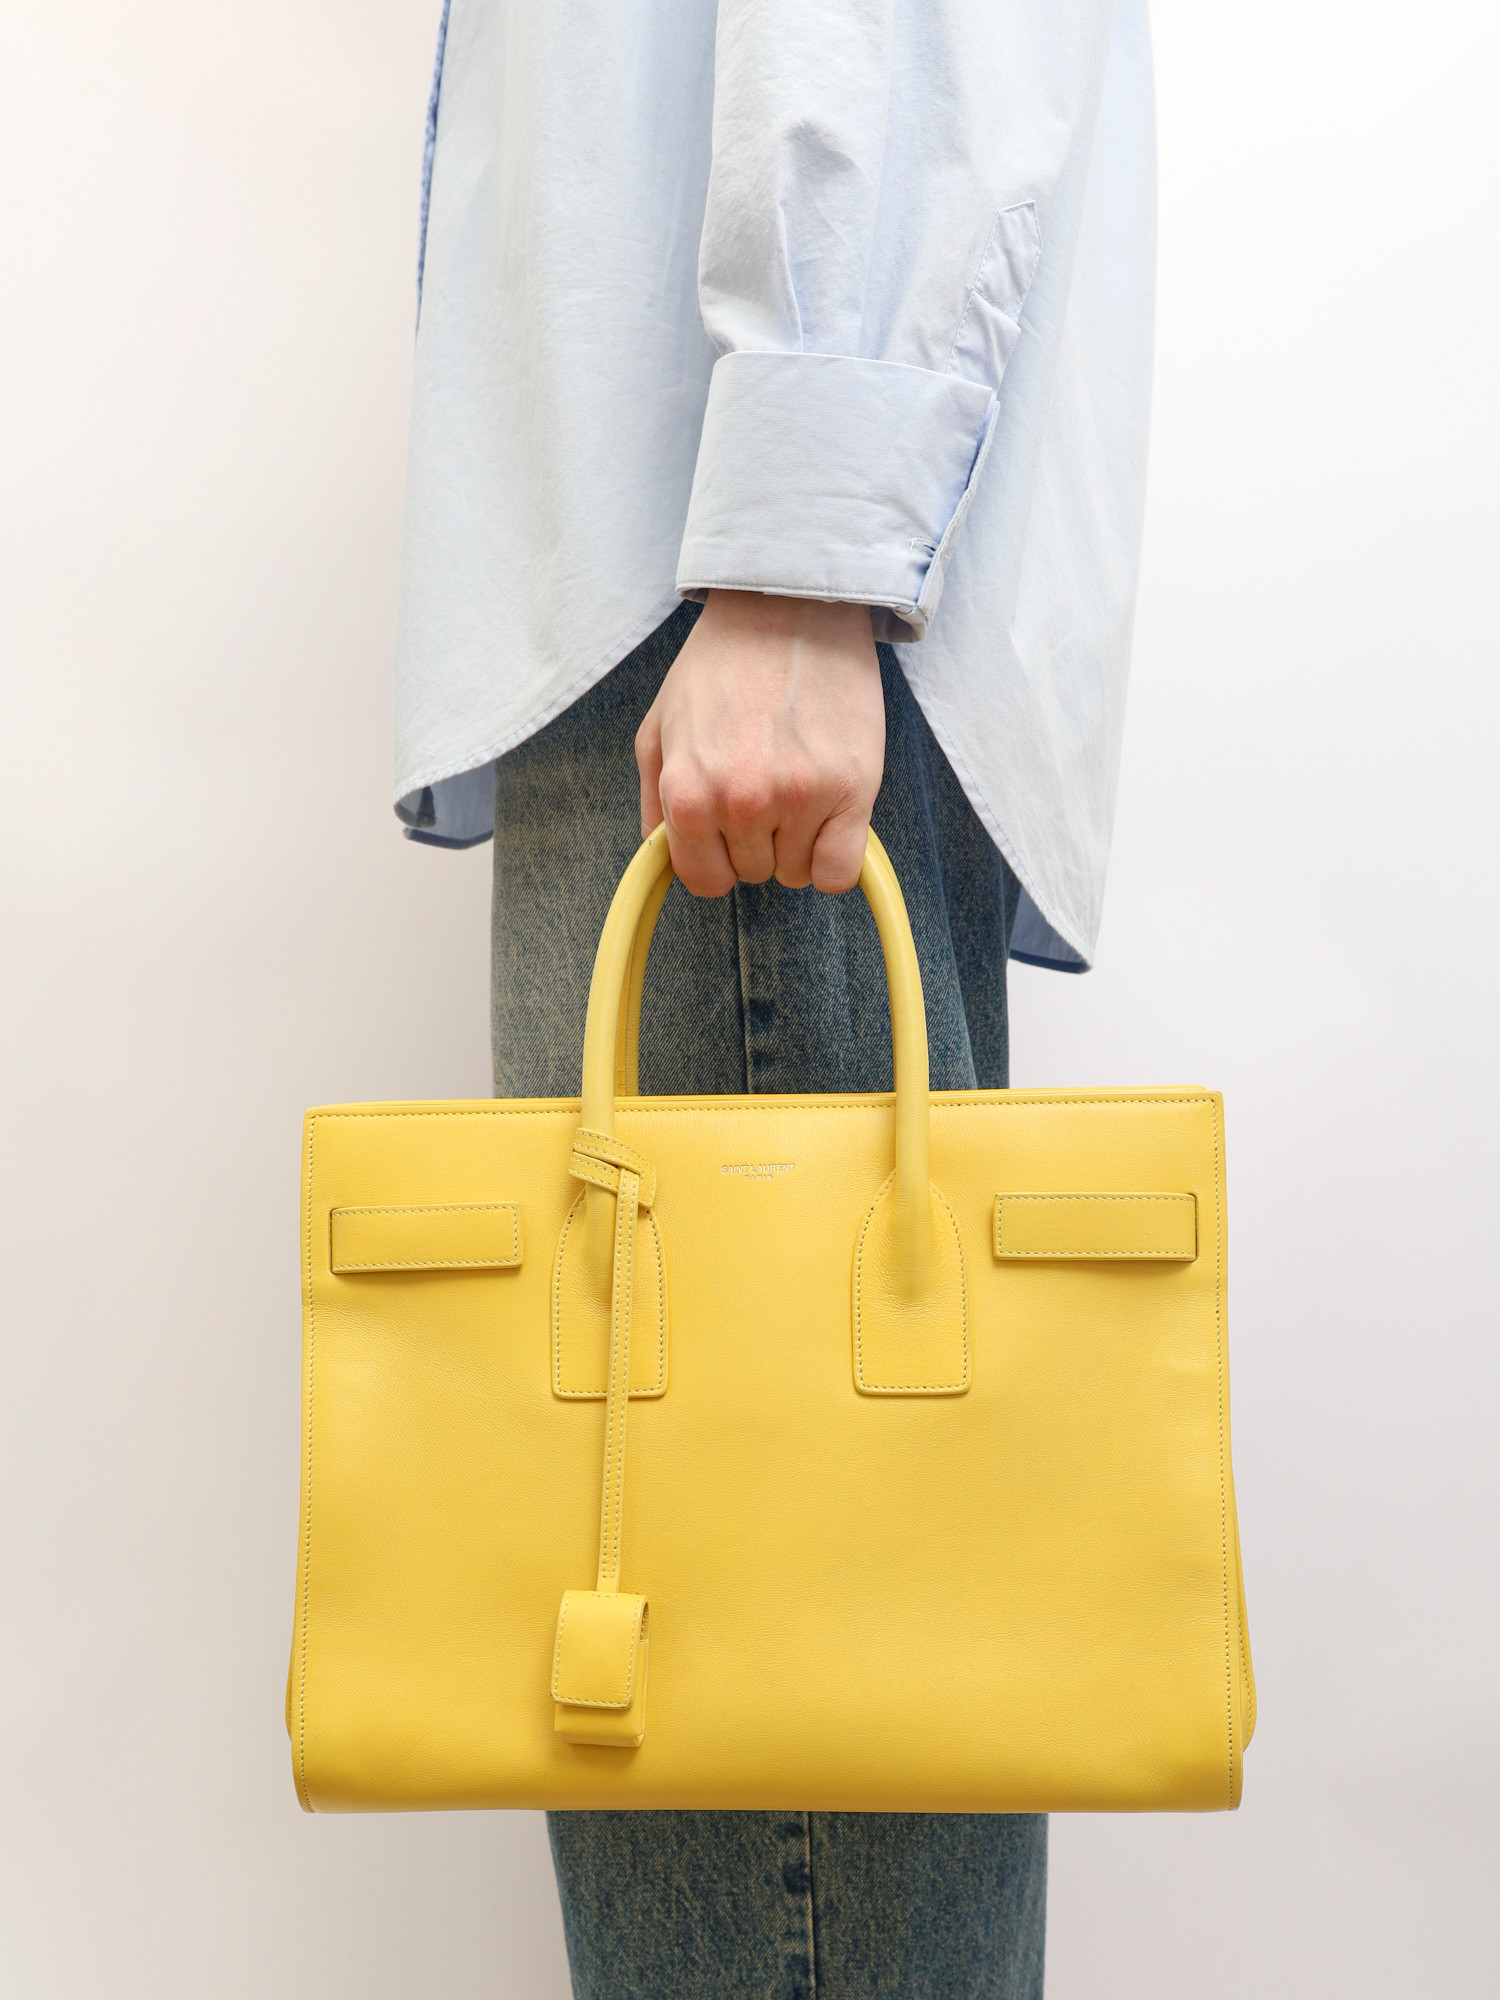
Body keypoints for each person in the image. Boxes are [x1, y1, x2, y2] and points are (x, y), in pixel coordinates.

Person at [394, 1, 1154, 1991]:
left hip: (720, 586)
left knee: (764, 1766)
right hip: (710, 557)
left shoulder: (764, 598)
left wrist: (801, 559)